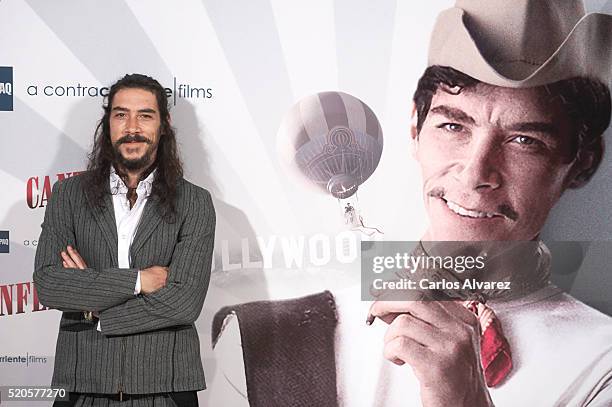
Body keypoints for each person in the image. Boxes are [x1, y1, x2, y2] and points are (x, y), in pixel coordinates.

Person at [211, 1, 612, 406]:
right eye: (453, 125)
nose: (475, 174)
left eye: (524, 141)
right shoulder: (259, 344)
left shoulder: (603, 364)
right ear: (415, 130)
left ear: (581, 163)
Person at [33, 73, 215, 406]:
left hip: (165, 390)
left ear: (164, 124)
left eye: (145, 115)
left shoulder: (195, 202)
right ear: (108, 123)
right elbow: (49, 283)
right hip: (81, 387)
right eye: (121, 115)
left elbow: (184, 302)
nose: (132, 127)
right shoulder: (68, 195)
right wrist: (139, 281)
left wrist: (95, 308)